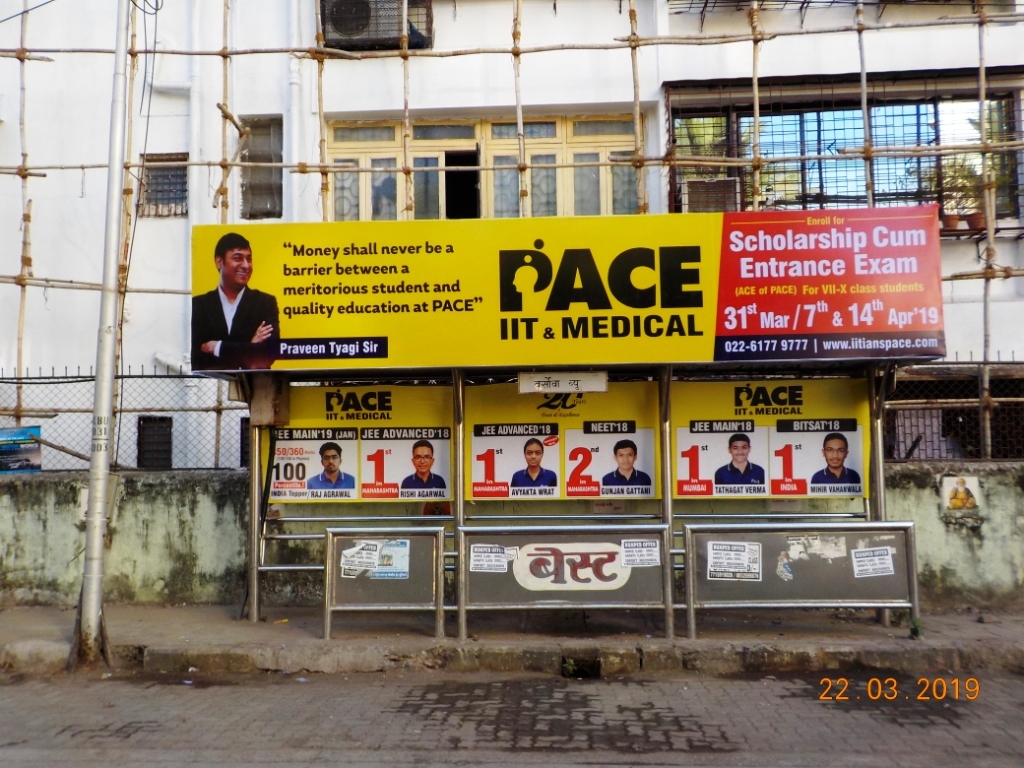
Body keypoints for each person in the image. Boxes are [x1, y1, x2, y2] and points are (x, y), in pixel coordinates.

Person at [191, 232, 279, 370]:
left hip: (254, 387)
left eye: (249, 259)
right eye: (238, 258)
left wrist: (217, 347)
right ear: (219, 262)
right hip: (211, 388)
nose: (246, 265)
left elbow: (268, 354)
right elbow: (198, 359)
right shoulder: (199, 305)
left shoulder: (264, 303)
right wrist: (250, 347)